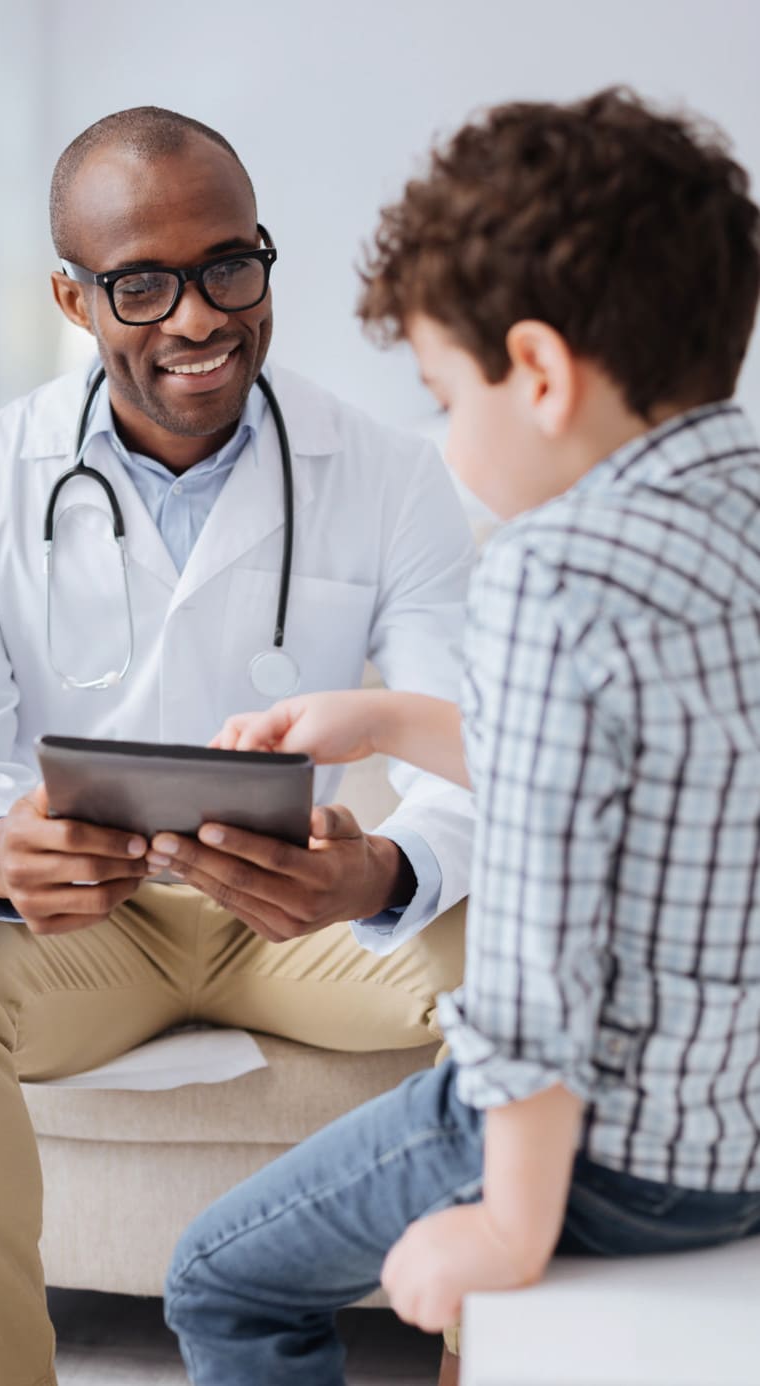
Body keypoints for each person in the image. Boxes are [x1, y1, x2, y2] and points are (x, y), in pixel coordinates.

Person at [0, 108, 477, 1385]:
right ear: (74, 298)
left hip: (308, 921)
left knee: (535, 946)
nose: (198, 318)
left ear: (264, 256)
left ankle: (491, 1359)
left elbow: (471, 749)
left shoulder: (396, 477)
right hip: (90, 927)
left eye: (230, 265)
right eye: (143, 284)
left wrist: (386, 874)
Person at [163, 88, 760, 1386]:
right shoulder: (741, 516)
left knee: (218, 1278)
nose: (441, 436)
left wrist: (507, 1219)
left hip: (614, 1148)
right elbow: (644, 778)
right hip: (741, 1136)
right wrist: (380, 716)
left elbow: (541, 963)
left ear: (538, 372)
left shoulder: (557, 573)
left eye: (445, 393)